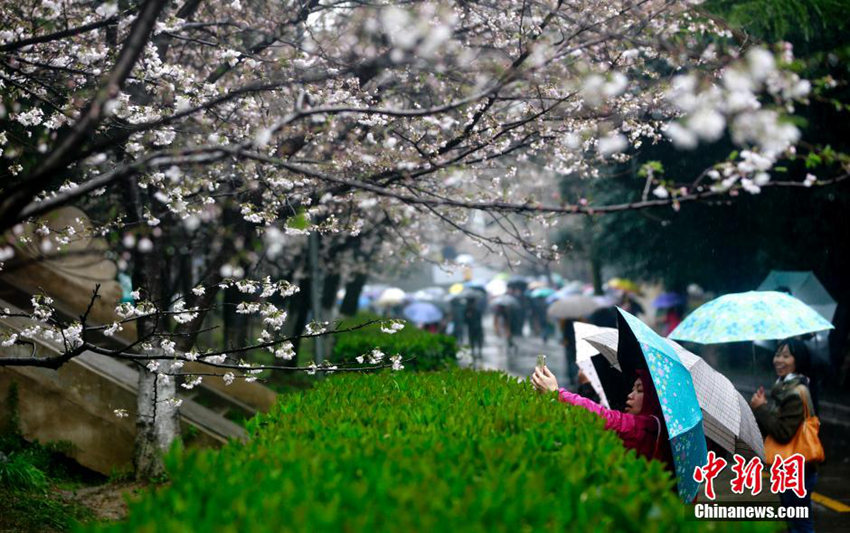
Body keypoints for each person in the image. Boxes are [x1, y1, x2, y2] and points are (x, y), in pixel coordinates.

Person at [531, 364, 673, 469]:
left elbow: (606, 419)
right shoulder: (659, 426)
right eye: (633, 389)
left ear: (653, 398)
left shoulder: (649, 427)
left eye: (640, 390)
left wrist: (558, 394)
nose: (631, 395)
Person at [750, 339, 818, 533]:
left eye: (786, 356)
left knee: (801, 525)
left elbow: (782, 433)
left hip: (799, 469)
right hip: (788, 467)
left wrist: (761, 408)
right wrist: (760, 406)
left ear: (798, 360)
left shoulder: (796, 392)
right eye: (778, 354)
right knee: (793, 523)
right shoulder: (782, 387)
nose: (779, 360)